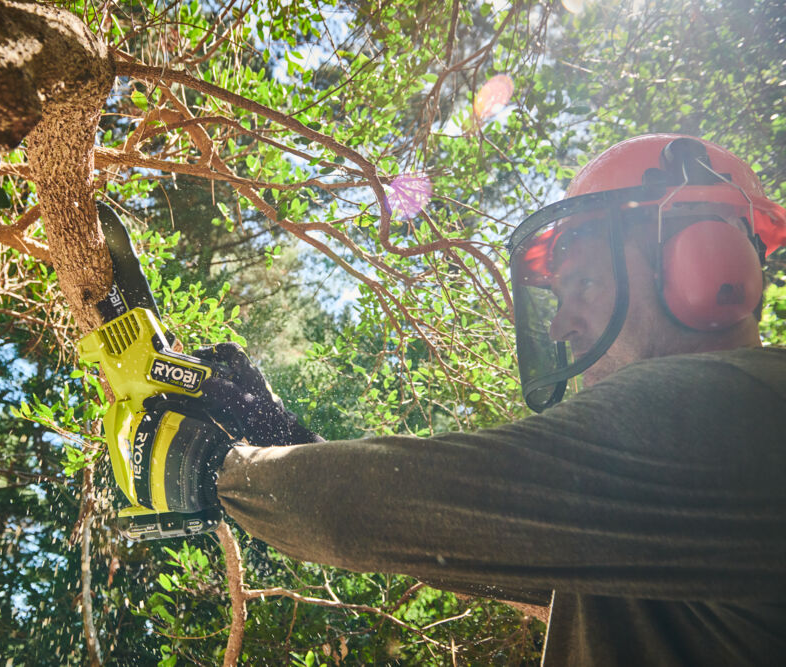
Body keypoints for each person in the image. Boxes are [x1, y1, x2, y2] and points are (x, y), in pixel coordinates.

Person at [138, 135, 786, 666]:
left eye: (584, 280)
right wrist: (274, 432)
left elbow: (389, 503)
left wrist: (213, 469)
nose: (559, 327)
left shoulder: (738, 406)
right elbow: (462, 541)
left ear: (704, 260)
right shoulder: (685, 495)